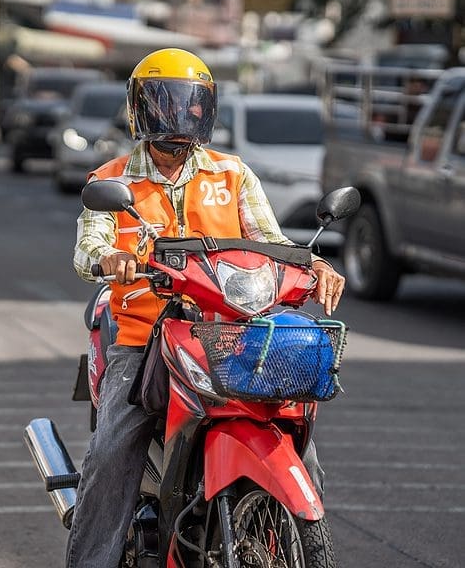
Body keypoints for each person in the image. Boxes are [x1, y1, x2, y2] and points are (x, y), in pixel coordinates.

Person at [67, 48, 345, 568]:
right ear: (140, 110)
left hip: (230, 335)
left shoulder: (233, 174)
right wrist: (112, 260)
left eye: (191, 105)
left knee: (298, 432)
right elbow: (88, 248)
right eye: (165, 105)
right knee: (112, 452)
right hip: (144, 335)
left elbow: (272, 242)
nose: (179, 117)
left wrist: (314, 266)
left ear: (206, 110)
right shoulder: (112, 180)